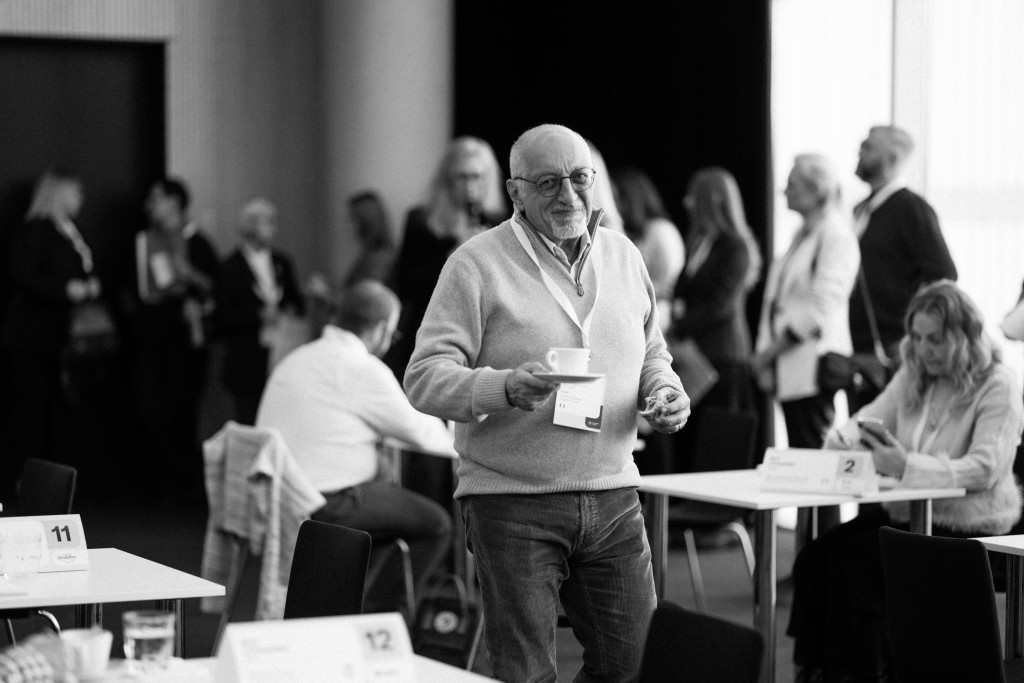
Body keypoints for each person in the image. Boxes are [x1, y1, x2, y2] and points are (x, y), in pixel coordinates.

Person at [404, 123, 690, 682]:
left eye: (580, 178)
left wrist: (664, 390)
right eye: (548, 182)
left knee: (632, 667)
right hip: (513, 502)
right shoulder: (475, 263)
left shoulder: (624, 255)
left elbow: (652, 350)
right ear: (515, 192)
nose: (568, 194)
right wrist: (504, 388)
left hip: (613, 494)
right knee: (526, 673)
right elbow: (424, 377)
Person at [788, 280, 1022, 682]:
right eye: (917, 337)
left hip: (971, 527)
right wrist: (844, 439)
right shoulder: (914, 374)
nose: (924, 349)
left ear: (964, 337)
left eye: (936, 339)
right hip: (911, 514)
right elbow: (865, 421)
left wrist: (904, 465)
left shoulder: (998, 384)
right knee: (816, 557)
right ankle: (817, 668)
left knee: (852, 568)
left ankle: (860, 673)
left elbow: (984, 469)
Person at [256, 280, 454, 608]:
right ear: (379, 330)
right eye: (392, 334)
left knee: (388, 503)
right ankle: (376, 619)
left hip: (281, 499)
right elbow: (427, 436)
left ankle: (347, 604)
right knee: (436, 525)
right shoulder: (360, 367)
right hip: (324, 504)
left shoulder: (298, 357)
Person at [385, 136, 507, 516]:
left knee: (478, 440)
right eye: (462, 177)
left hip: (482, 342)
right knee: (429, 448)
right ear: (446, 179)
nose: (471, 186)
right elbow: (407, 282)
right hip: (431, 338)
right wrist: (454, 251)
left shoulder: (499, 222)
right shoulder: (421, 220)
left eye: (478, 177)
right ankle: (434, 523)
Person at [752, 154, 860, 542]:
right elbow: (777, 301)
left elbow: (820, 308)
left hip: (812, 368)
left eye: (793, 184)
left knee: (817, 469)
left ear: (817, 192)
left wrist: (769, 353)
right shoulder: (804, 235)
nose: (784, 190)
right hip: (789, 365)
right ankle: (807, 556)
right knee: (804, 466)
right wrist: (766, 355)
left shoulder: (836, 235)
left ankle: (820, 557)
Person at [1, 171, 101, 502]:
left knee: (60, 413)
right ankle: (22, 483)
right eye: (76, 191)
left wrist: (88, 286)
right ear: (59, 193)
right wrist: (65, 289)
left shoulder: (69, 230)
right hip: (32, 338)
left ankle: (54, 486)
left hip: (64, 339)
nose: (81, 197)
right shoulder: (35, 230)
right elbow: (22, 275)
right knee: (29, 411)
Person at [848, 125, 957, 412]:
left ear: (892, 158)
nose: (860, 151)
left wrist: (912, 333)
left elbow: (943, 274)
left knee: (892, 429)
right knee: (862, 431)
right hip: (860, 352)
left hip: (894, 352)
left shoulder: (910, 208)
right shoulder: (862, 210)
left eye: (869, 146)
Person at [127, 177, 219, 502]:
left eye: (156, 198)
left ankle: (183, 486)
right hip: (151, 337)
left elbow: (217, 288)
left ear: (175, 202)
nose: (148, 205)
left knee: (185, 409)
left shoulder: (198, 243)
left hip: (187, 339)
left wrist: (188, 274)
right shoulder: (144, 242)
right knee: (149, 405)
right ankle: (173, 476)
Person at [669, 167, 762, 469]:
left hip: (723, 358)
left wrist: (676, 326)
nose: (686, 202)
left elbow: (720, 306)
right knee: (693, 440)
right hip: (697, 356)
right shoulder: (700, 243)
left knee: (719, 443)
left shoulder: (735, 246)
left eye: (692, 196)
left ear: (712, 200)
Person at [214, 197, 305, 426]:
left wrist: (292, 308)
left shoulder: (282, 262)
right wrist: (257, 315)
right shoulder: (229, 267)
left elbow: (296, 302)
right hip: (247, 360)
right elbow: (222, 318)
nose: (273, 228)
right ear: (250, 225)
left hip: (281, 353)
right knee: (250, 421)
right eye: (267, 222)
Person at [610, 165, 685, 331]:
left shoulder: (661, 231)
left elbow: (670, 286)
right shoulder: (638, 233)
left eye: (616, 198)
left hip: (663, 316)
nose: (614, 205)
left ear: (631, 198)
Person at [343, 190, 397, 289]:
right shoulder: (369, 254)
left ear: (365, 222)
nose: (348, 224)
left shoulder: (380, 258)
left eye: (353, 218)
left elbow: (368, 294)